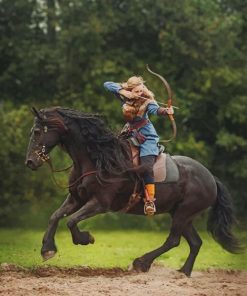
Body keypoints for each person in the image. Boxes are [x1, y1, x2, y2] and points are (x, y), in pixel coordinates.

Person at [104, 76, 174, 215]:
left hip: (146, 137)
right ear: (130, 90)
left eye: (142, 90)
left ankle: (150, 201)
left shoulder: (148, 101)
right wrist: (124, 92)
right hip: (129, 134)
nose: (140, 93)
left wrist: (166, 111)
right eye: (137, 91)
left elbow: (157, 110)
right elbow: (107, 84)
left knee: (147, 168)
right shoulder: (125, 96)